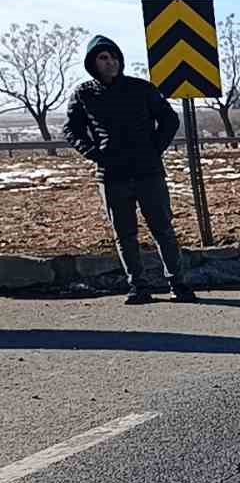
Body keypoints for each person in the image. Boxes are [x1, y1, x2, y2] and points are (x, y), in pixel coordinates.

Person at [62, 35, 194, 304]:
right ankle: (138, 287)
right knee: (124, 235)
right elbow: (71, 129)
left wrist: (154, 149)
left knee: (163, 229)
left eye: (113, 57)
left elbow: (169, 119)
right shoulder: (84, 94)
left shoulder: (141, 88)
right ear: (92, 63)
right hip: (112, 176)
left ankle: (178, 284)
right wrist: (94, 153)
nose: (110, 62)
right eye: (103, 58)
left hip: (148, 173)